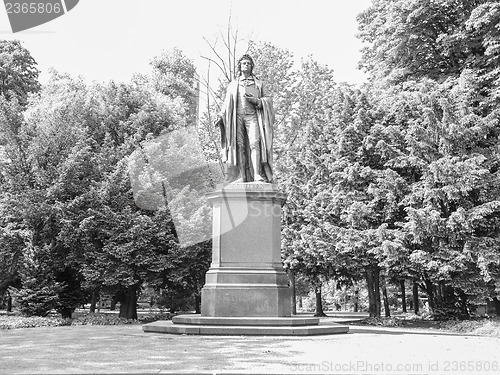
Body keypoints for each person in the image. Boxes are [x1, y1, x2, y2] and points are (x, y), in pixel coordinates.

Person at [214, 54, 274, 183]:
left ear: (252, 66)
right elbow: (226, 103)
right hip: (237, 118)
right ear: (240, 66)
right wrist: (220, 116)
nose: (246, 65)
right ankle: (242, 175)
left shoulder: (258, 84)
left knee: (254, 143)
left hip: (253, 116)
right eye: (244, 63)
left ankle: (257, 174)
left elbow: (268, 100)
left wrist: (257, 101)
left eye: (248, 63)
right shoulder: (233, 85)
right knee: (239, 146)